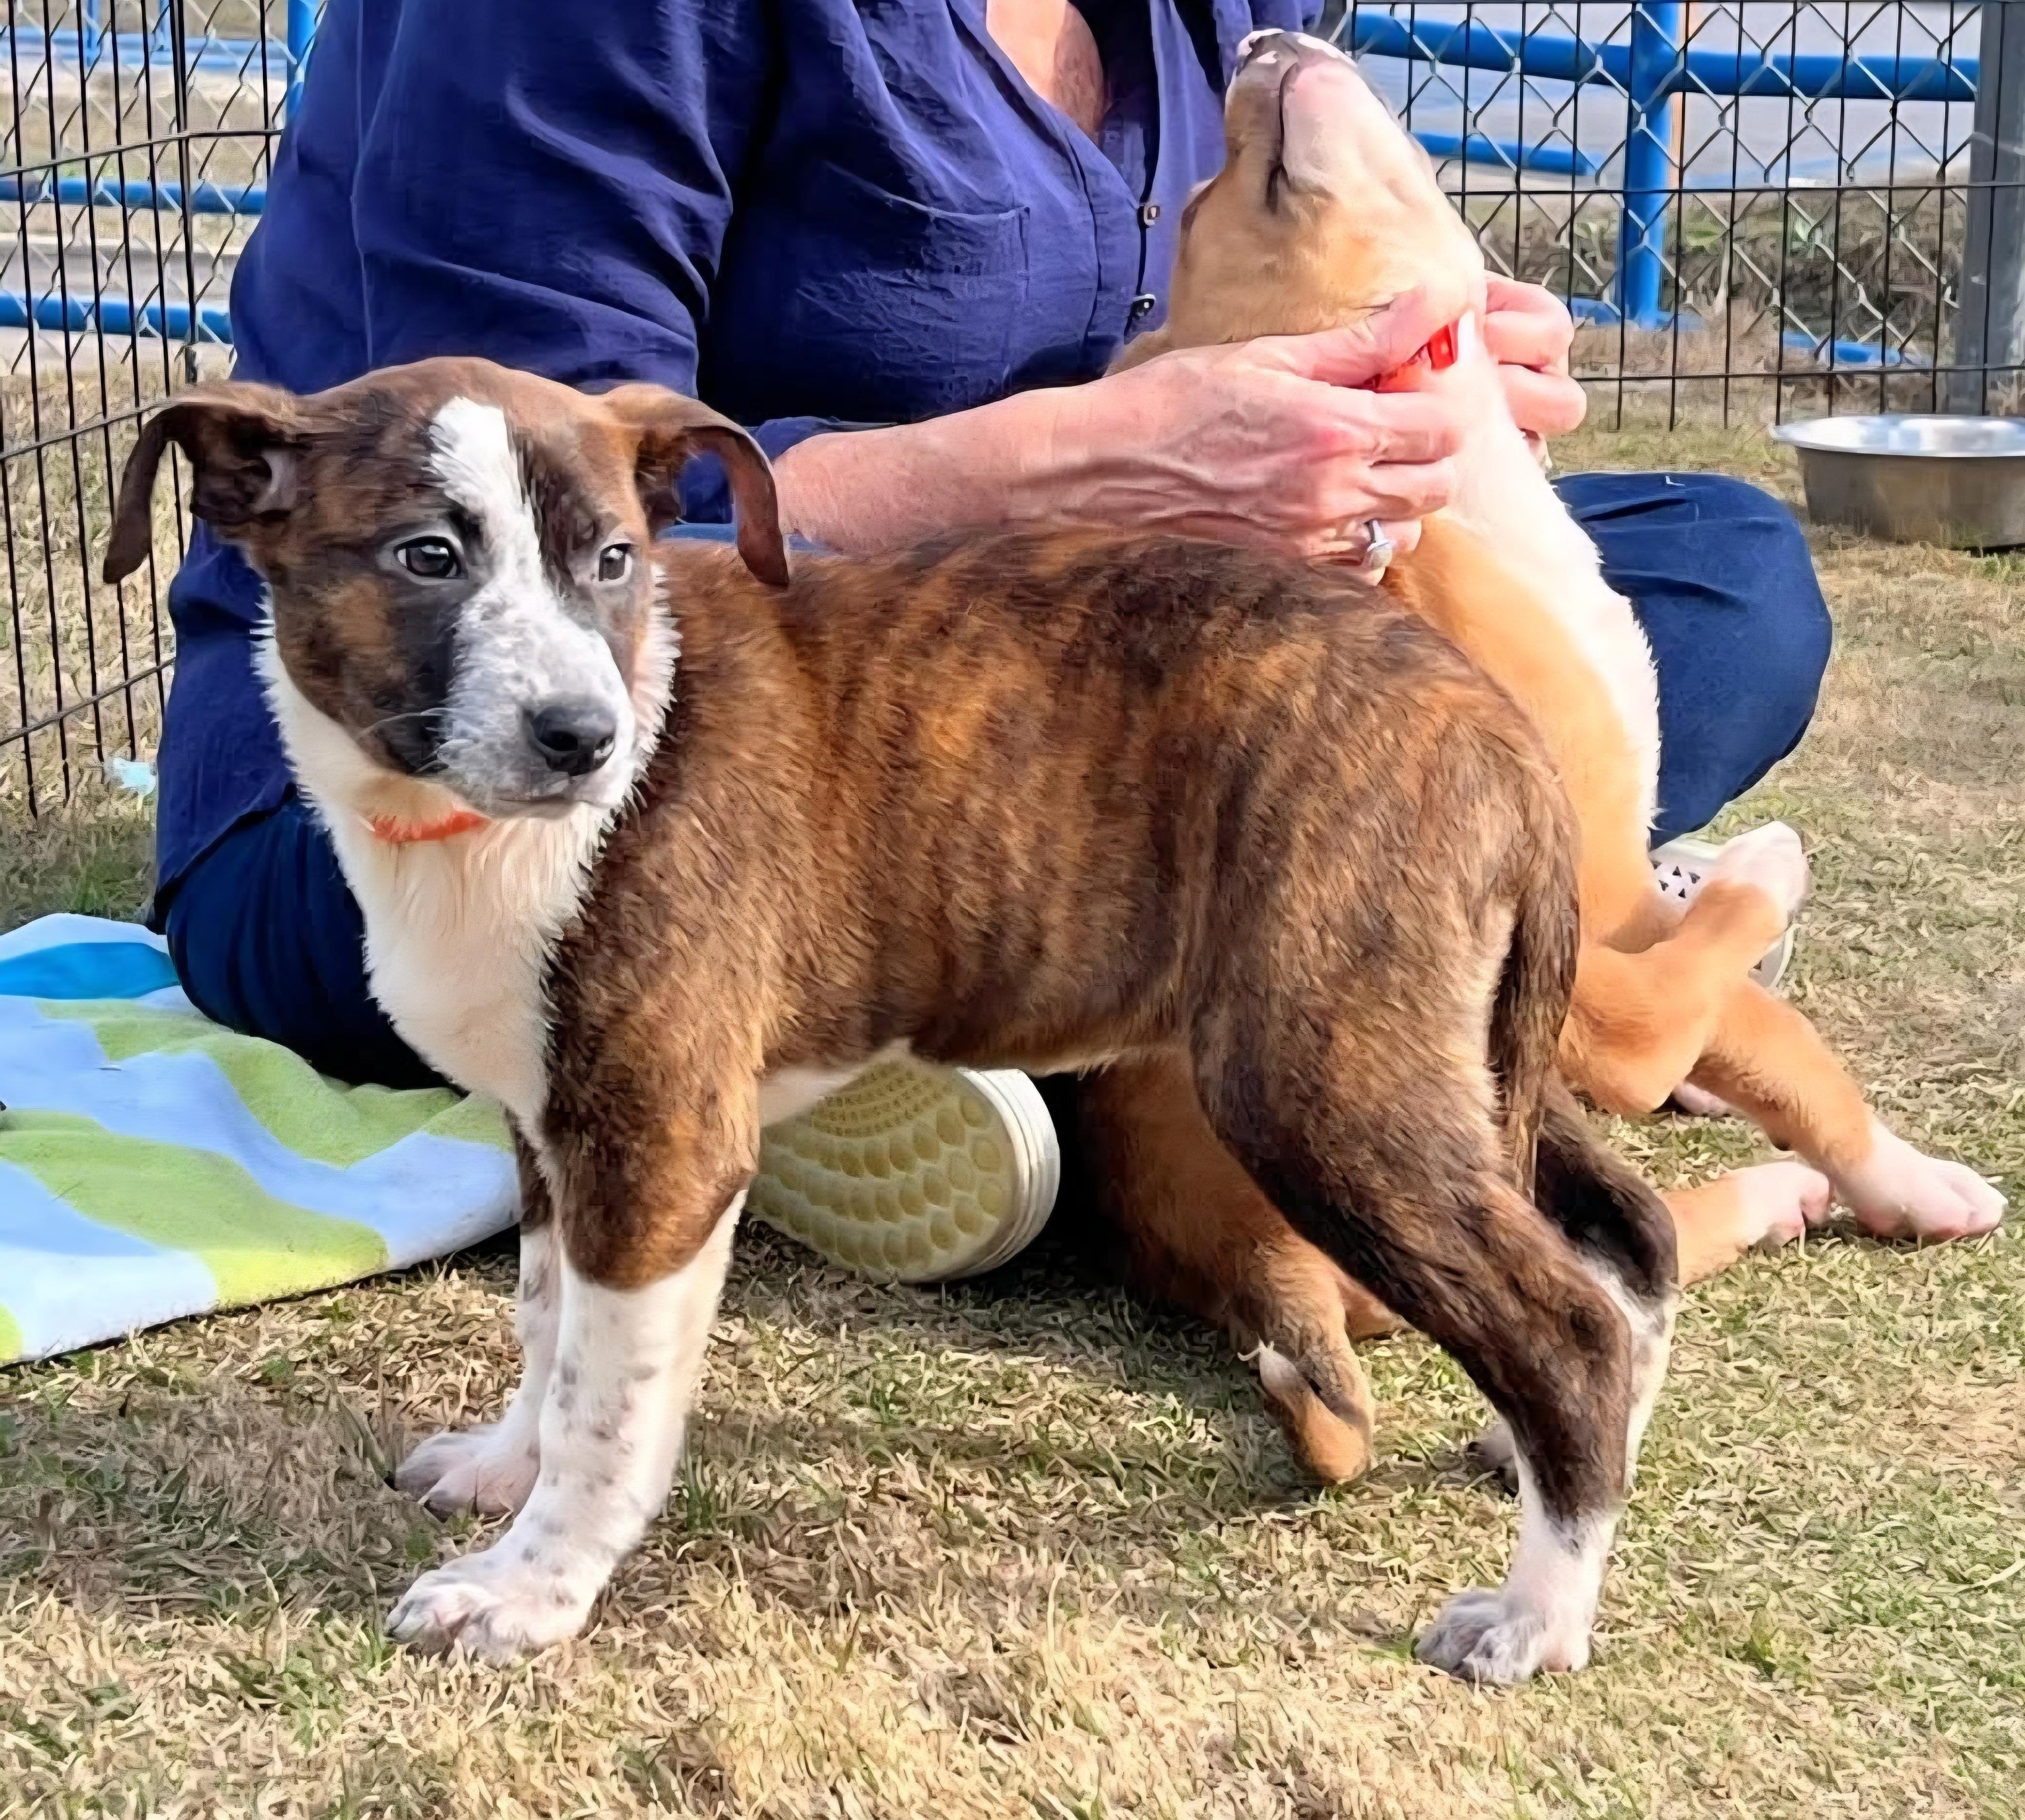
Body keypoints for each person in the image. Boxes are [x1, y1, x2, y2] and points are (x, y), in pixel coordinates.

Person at [153, 0, 1832, 1280]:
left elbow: (1199, 337)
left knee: (1726, 570)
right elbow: (524, 535)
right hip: (489, 775)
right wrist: (1093, 465)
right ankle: (839, 1040)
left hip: (997, 718)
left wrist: (1401, 389)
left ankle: (1031, 1029)